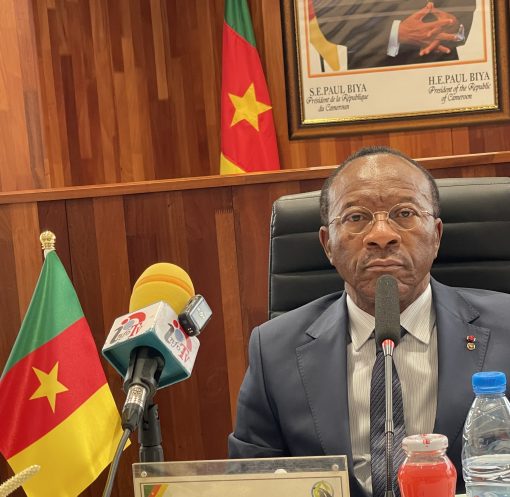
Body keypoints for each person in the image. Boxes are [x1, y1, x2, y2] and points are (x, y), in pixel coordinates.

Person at [228, 146, 510, 497]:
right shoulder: (273, 349)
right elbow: (252, 482)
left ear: (436, 235)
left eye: (404, 213)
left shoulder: (506, 329)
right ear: (327, 245)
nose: (381, 235)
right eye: (356, 217)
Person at [312, 1, 476, 69]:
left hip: (441, 77)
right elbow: (329, 16)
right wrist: (395, 33)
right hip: (374, 78)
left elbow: (466, 5)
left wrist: (453, 24)